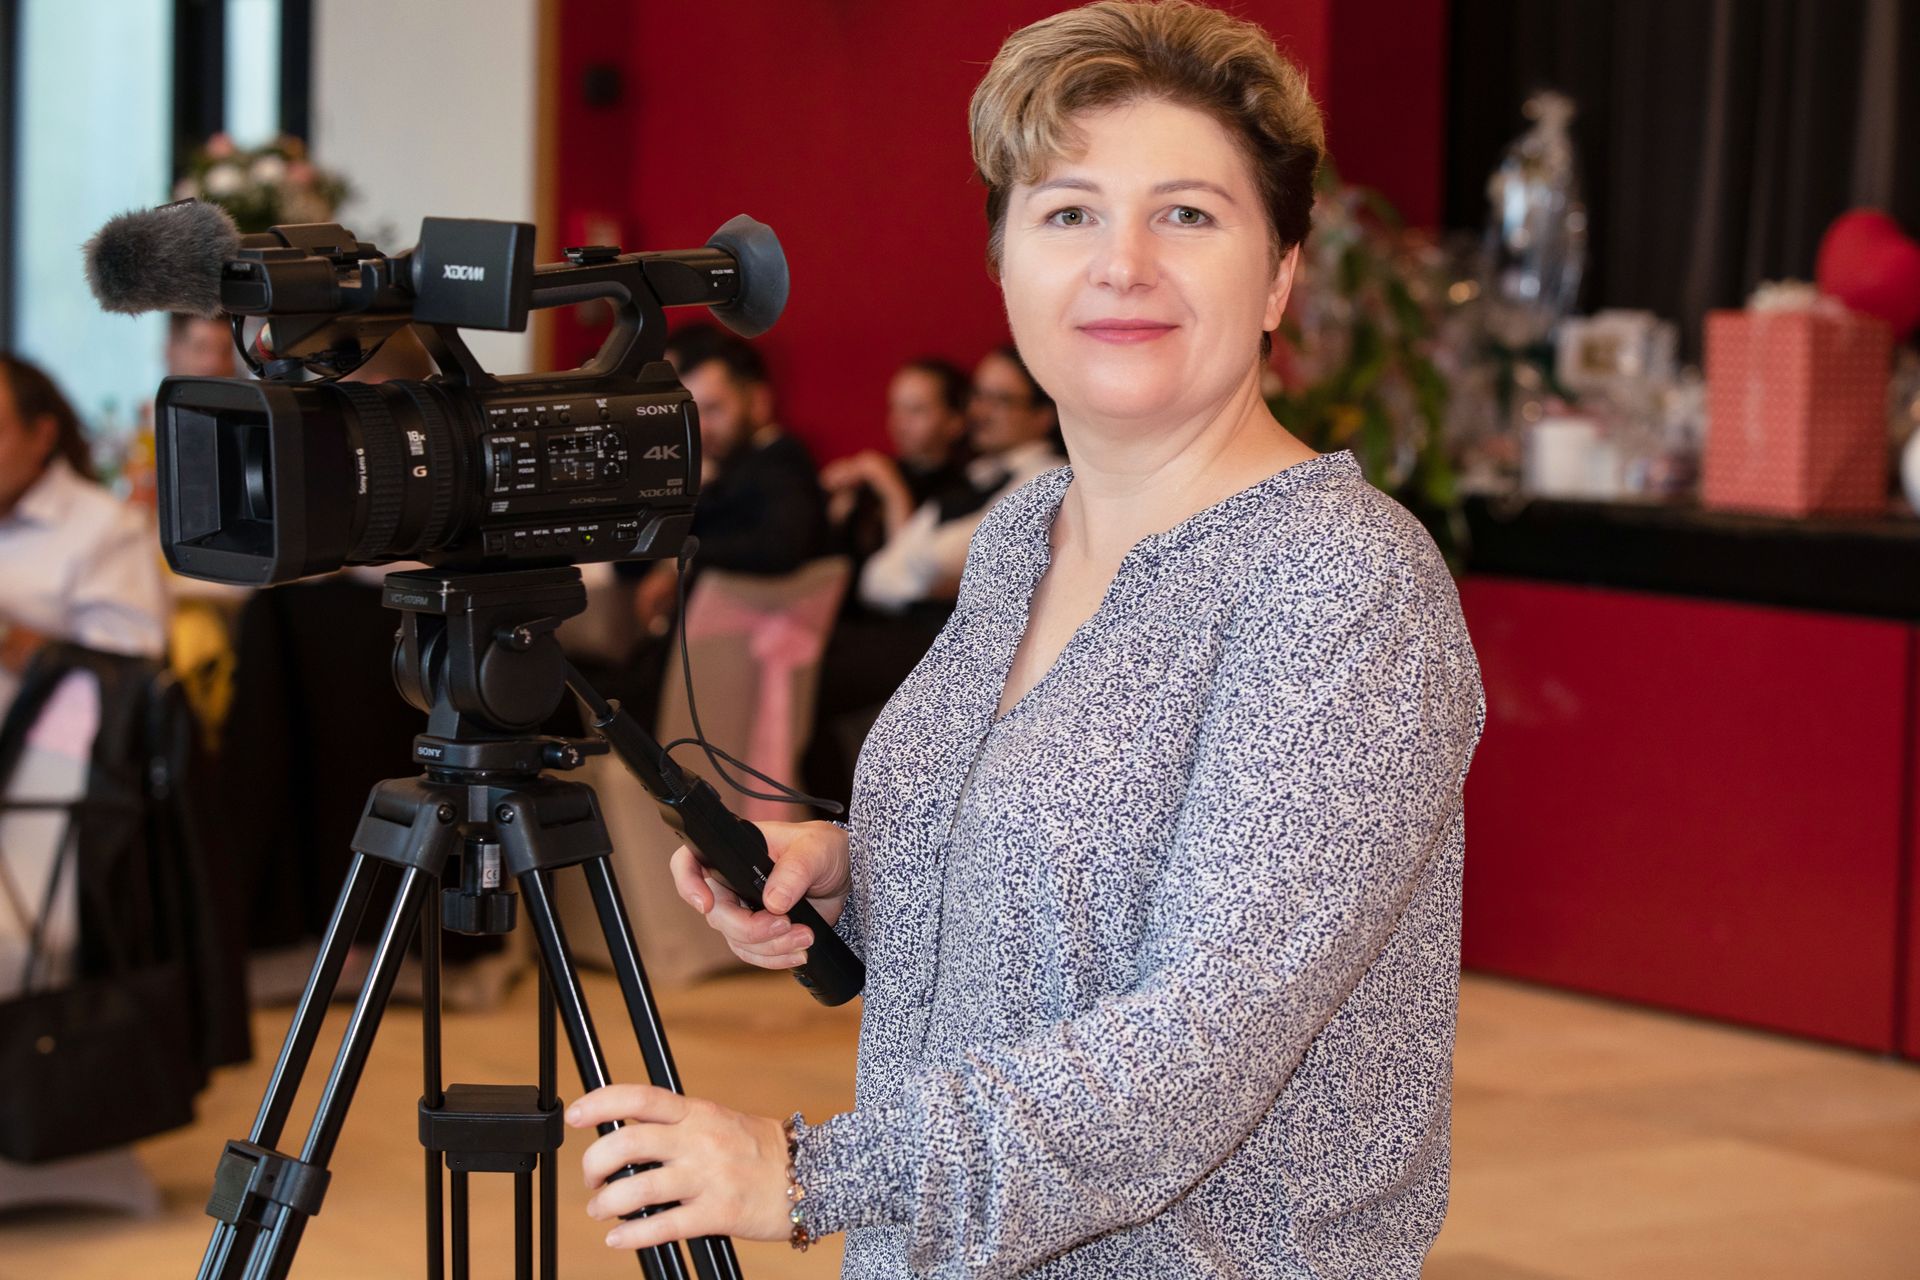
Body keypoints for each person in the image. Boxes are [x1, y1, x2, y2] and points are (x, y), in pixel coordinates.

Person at [569, 3, 1486, 1276]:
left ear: (1280, 270)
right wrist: (856, 875)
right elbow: (1074, 887)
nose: (1123, 263)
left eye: (1187, 213)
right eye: (1069, 213)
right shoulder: (1023, 532)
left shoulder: (1341, 582)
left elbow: (1199, 1042)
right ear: (1004, 262)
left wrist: (808, 1169)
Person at [619, 324, 829, 637]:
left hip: (742, 648)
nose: (701, 429)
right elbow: (628, 562)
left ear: (757, 401)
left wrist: (682, 561)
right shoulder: (718, 469)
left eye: (713, 409)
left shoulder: (780, 460)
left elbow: (781, 545)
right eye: (692, 413)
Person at [0, 355, 167, 709]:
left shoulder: (105, 527)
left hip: (43, 740)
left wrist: (10, 639)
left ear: (42, 435)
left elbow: (127, 687)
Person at [854, 345, 1064, 613]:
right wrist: (930, 583)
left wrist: (917, 566)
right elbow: (874, 580)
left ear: (1043, 415)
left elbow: (951, 557)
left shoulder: (1051, 479)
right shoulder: (973, 474)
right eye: (978, 395)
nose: (979, 412)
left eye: (1001, 400)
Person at [819, 357, 974, 569]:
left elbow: (904, 574)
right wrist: (837, 509)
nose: (900, 422)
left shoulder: (962, 489)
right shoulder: (881, 473)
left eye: (916, 410)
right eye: (896, 407)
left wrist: (891, 489)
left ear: (955, 422)